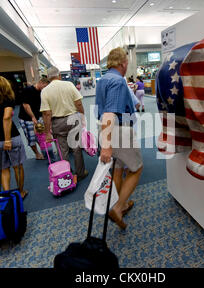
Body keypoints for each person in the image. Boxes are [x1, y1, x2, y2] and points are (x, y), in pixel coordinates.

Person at [96, 47, 144, 230]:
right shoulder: (118, 81)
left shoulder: (103, 79)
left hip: (107, 130)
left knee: (117, 169)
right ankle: (117, 207)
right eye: (127, 63)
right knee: (136, 169)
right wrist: (107, 146)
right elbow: (110, 113)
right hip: (119, 130)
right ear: (123, 64)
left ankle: (121, 204)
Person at [40, 67, 89, 182]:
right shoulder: (69, 85)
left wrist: (47, 132)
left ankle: (67, 175)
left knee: (63, 150)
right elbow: (78, 103)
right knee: (76, 148)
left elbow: (47, 114)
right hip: (73, 119)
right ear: (60, 76)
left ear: (47, 78)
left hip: (57, 122)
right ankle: (81, 173)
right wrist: (82, 117)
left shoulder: (45, 91)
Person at [18, 78, 49, 160]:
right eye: (45, 86)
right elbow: (26, 105)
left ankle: (44, 150)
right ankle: (37, 154)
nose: (45, 88)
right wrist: (33, 117)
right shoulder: (28, 90)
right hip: (26, 118)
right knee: (31, 137)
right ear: (40, 82)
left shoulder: (42, 92)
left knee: (41, 135)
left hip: (38, 116)